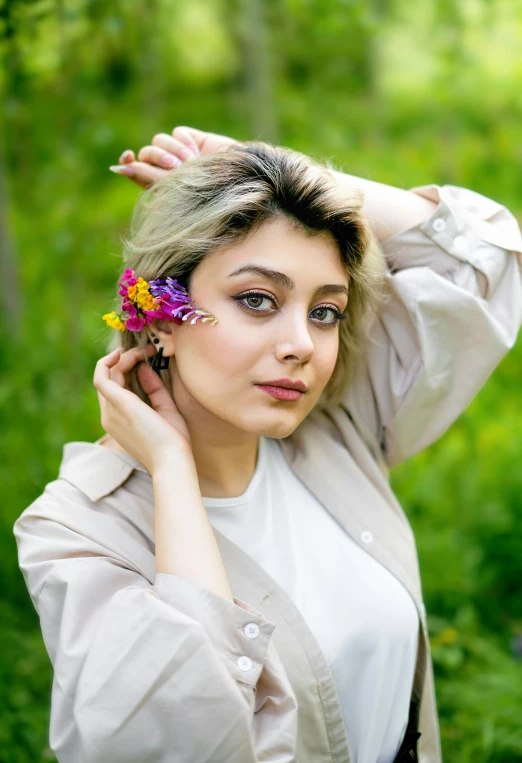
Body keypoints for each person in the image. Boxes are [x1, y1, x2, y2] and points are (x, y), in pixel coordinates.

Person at [13, 127, 522, 763]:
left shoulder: (335, 430)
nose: (303, 345)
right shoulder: (79, 531)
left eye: (324, 311)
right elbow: (174, 739)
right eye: (257, 300)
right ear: (162, 318)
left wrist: (281, 172)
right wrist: (172, 472)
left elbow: (479, 260)